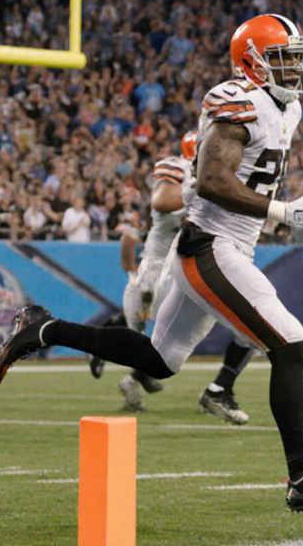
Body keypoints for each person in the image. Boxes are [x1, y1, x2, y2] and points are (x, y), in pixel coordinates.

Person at [0, 14, 303, 511]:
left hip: (225, 244)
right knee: (292, 345)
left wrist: (279, 216)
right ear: (252, 63)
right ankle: (302, 476)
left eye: (297, 57)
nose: (296, 68)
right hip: (210, 246)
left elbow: (248, 177)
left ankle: (44, 327)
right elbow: (213, 180)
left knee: (159, 360)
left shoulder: (286, 107)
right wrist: (283, 211)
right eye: (284, 58)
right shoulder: (241, 102)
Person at [108, 130, 258, 424]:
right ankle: (219, 390)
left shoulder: (209, 177)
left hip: (184, 268)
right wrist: (204, 187)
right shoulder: (181, 171)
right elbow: (162, 200)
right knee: (249, 327)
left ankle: (137, 376)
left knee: (169, 351)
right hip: (171, 270)